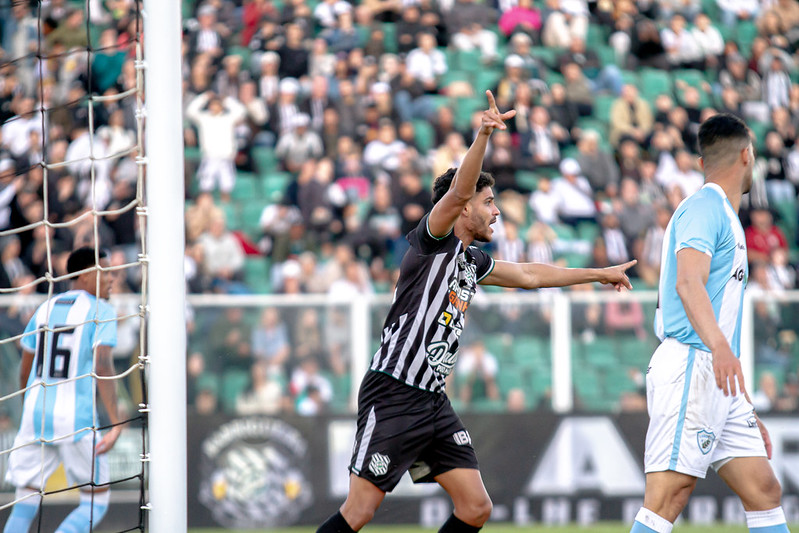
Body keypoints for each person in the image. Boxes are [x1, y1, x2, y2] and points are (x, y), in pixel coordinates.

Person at [316, 91, 635, 533]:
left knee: (475, 508)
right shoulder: (432, 242)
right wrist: (484, 134)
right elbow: (461, 189)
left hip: (430, 400)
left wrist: (598, 273)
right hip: (393, 393)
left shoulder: (470, 259)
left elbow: (528, 274)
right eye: (488, 203)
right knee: (359, 513)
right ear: (463, 207)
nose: (496, 211)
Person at [629, 113, 791, 533]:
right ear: (747, 155)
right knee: (667, 498)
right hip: (691, 364)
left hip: (718, 379)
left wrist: (741, 401)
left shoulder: (723, 213)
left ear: (703, 161)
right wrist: (720, 348)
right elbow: (688, 282)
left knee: (763, 490)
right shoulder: (705, 207)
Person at [3, 247, 121, 533]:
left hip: (35, 415)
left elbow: (25, 365)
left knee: (25, 501)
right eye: (103, 271)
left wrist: (29, 402)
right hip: (76, 420)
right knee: (96, 502)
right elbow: (103, 364)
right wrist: (116, 422)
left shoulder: (45, 308)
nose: (111, 278)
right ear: (83, 276)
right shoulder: (100, 311)